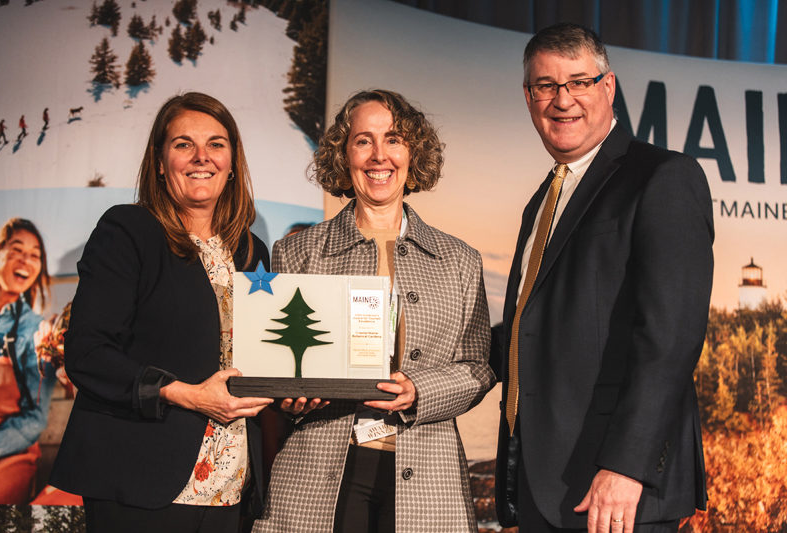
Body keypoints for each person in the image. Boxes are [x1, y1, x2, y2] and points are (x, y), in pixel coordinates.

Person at [493, 23, 713, 533]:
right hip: (546, 484)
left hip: (615, 491)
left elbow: (670, 338)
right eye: (545, 85)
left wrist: (626, 466)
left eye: (579, 82)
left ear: (608, 87)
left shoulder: (662, 177)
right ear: (528, 98)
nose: (562, 99)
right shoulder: (543, 201)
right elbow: (534, 328)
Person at [253, 89, 496, 533]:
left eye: (394, 139)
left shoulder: (459, 259)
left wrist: (418, 390)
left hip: (428, 476)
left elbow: (479, 368)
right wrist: (290, 399)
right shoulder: (298, 252)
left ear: (413, 153)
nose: (379, 155)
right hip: (321, 471)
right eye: (363, 141)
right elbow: (280, 368)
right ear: (343, 155)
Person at [50, 92, 273, 533]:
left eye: (216, 144)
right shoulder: (128, 231)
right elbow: (88, 353)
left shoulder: (252, 252)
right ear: (159, 160)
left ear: (232, 162)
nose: (201, 157)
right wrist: (182, 393)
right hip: (142, 478)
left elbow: (263, 357)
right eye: (183, 144)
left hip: (230, 483)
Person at [0, 218, 56, 504]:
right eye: (17, 249)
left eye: (35, 255)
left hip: (9, 455)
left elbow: (35, 418)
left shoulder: (36, 331)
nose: (26, 260)